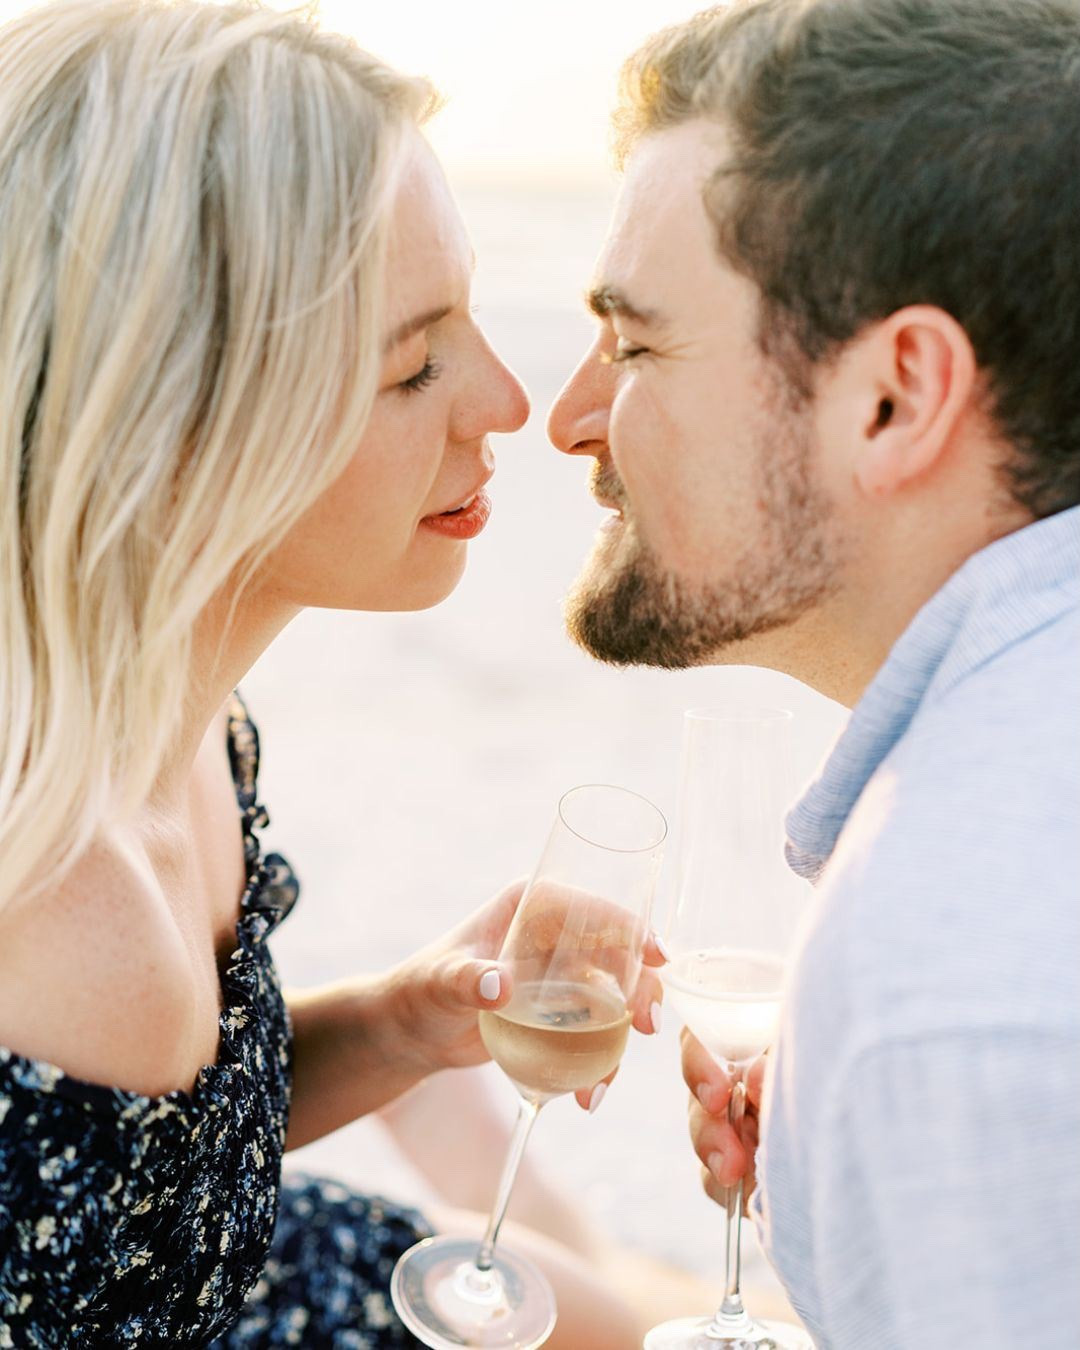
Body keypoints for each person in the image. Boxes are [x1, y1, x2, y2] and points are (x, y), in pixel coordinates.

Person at [0, 3, 670, 1346]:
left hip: (185, 1256)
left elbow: (137, 1159)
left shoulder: (172, 717)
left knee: (605, 1319)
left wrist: (406, 1019)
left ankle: (488, 1161)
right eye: (416, 363)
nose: (505, 400)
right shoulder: (78, 912)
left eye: (470, 318)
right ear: (185, 424)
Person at [547, 0, 1080, 1345]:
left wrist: (900, 1083)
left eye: (636, 344)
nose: (570, 419)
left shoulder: (953, 983)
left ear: (894, 398)